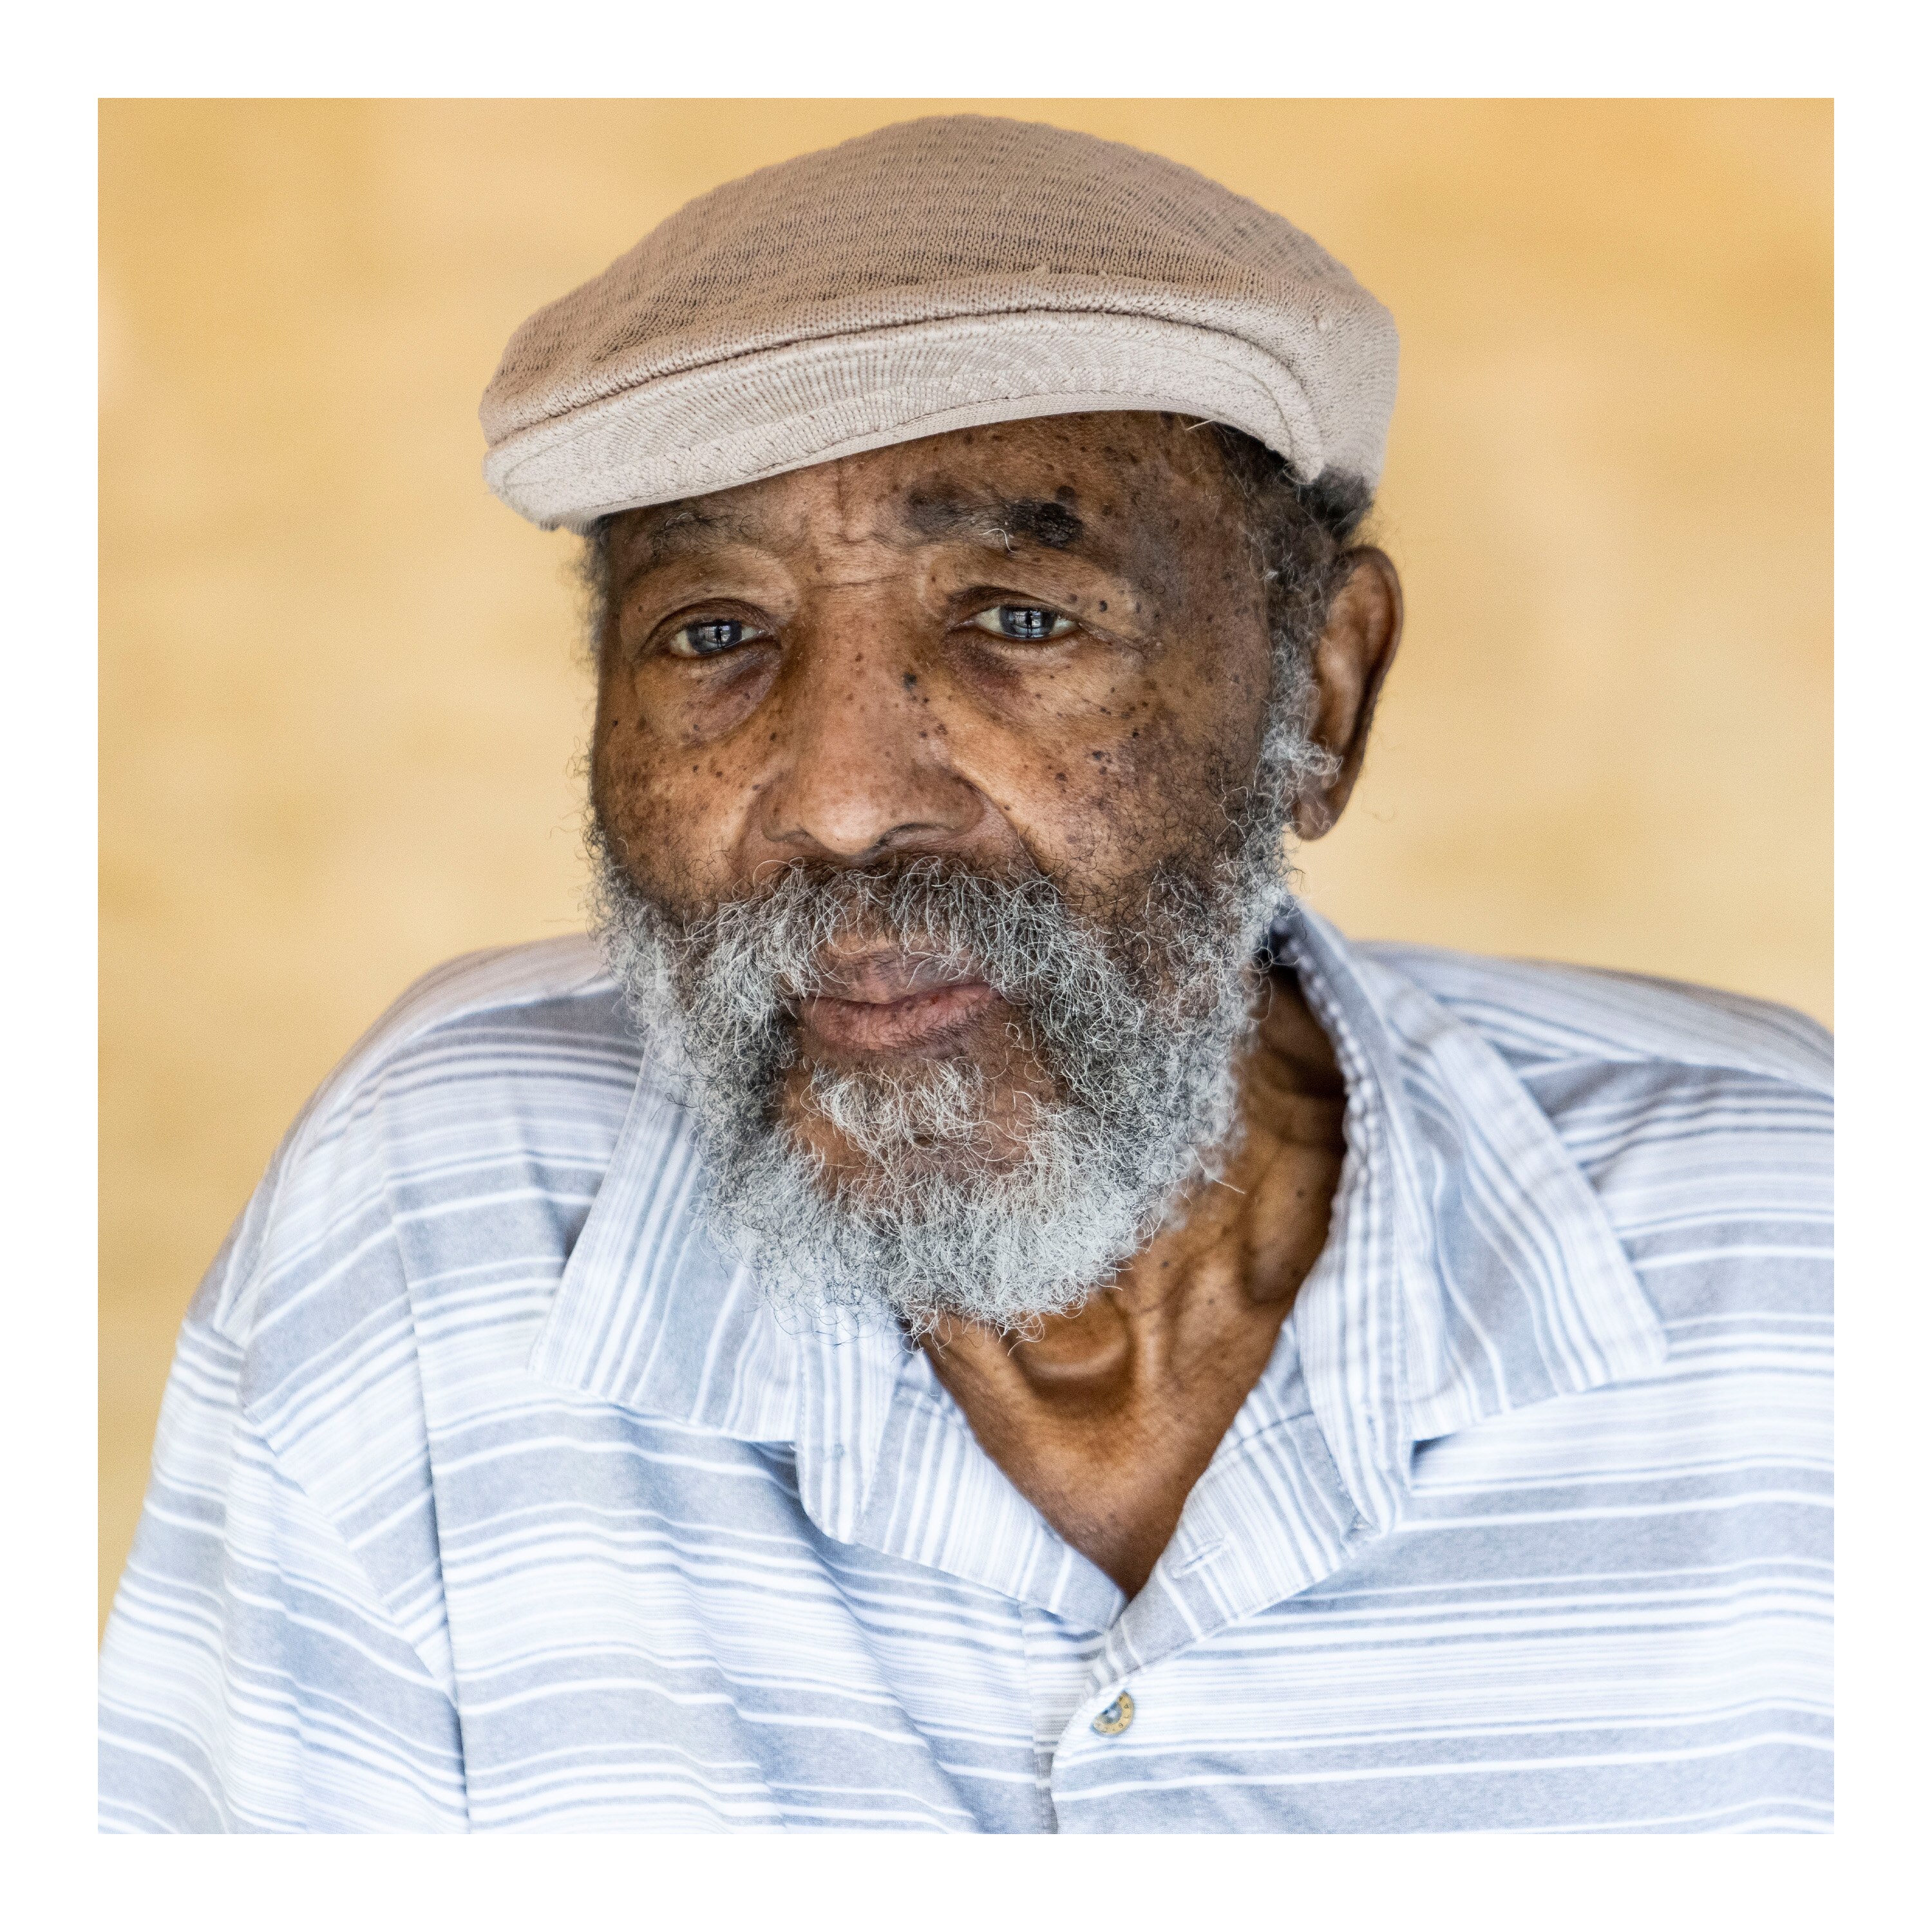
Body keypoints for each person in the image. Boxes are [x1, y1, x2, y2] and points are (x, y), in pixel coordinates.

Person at [99, 115, 1832, 1833]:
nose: (845, 802)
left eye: (1017, 616)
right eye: (714, 634)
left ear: (1319, 693)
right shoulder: (444, 1214)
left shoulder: (1807, 1247)